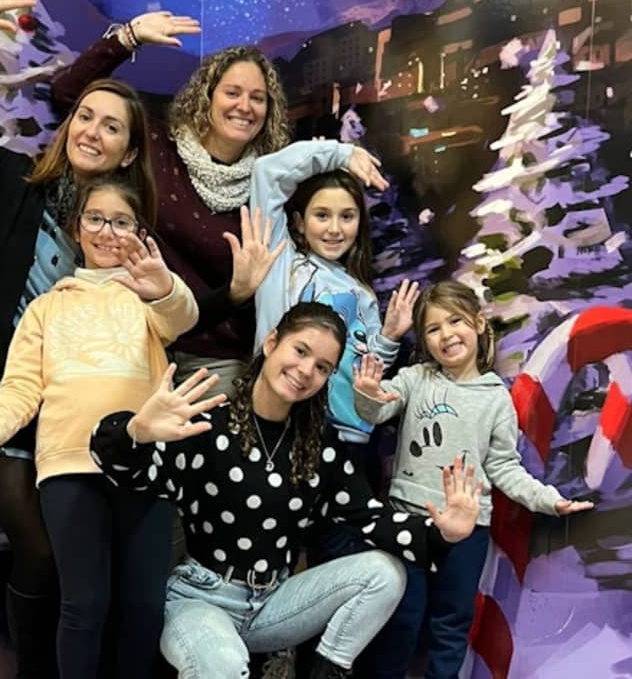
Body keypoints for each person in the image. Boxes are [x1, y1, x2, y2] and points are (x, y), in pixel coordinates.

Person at [0, 0, 158, 677]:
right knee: (44, 551)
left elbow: (169, 315)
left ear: (128, 151)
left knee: (83, 564)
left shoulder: (120, 236)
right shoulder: (7, 180)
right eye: (86, 116)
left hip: (69, 425)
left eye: (112, 127)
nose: (93, 131)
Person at [88, 301, 483, 679]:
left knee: (385, 572)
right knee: (224, 666)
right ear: (271, 342)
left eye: (323, 367)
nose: (306, 370)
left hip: (273, 604)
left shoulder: (319, 447)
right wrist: (135, 432)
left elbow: (370, 518)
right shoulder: (208, 425)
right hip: (199, 600)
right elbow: (130, 473)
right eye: (300, 350)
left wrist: (443, 533)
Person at [0, 175, 199, 679]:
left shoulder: (149, 298)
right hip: (69, 469)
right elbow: (20, 389)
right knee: (84, 605)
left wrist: (163, 286)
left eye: (122, 222)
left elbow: (183, 317)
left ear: (139, 232)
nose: (107, 231)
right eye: (96, 219)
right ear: (76, 228)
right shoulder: (47, 307)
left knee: (142, 605)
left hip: (145, 465)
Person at [353, 279, 594, 679]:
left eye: (455, 321)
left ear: (479, 324)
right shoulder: (415, 379)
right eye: (433, 329)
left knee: (451, 626)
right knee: (401, 619)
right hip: (408, 520)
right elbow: (375, 411)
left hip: (467, 533)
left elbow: (504, 467)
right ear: (424, 341)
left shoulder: (496, 398)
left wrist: (548, 500)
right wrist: (367, 393)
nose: (446, 334)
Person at [51, 13, 291, 395]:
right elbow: (67, 94)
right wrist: (128, 38)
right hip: (134, 337)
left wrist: (344, 156)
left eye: (257, 98)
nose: (244, 106)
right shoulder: (158, 147)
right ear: (207, 96)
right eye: (232, 92)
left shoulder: (267, 184)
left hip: (213, 360)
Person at [250, 140, 419, 456]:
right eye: (322, 215)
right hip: (282, 425)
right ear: (299, 223)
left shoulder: (362, 293)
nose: (334, 229)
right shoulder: (281, 262)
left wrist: (388, 337)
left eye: (347, 216)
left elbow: (367, 372)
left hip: (344, 442)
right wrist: (341, 154)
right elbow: (266, 173)